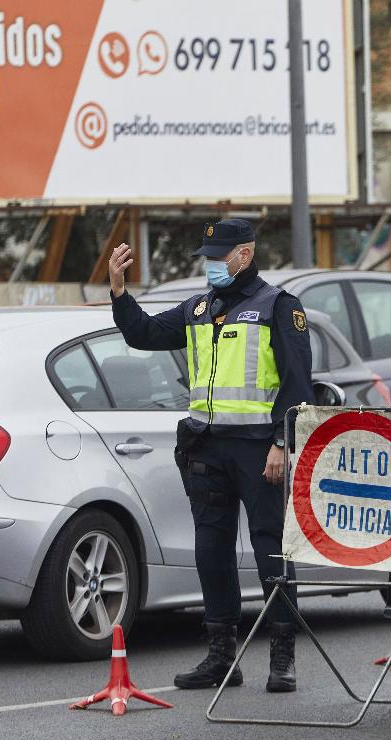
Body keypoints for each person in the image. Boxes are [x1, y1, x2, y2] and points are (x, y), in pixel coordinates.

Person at [107, 219, 312, 693]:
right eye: (209, 256)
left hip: (260, 449)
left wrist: (282, 443)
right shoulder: (200, 308)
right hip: (207, 447)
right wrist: (119, 292)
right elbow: (143, 334)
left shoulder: (278, 307)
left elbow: (298, 383)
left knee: (271, 550)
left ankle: (283, 656)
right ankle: (222, 656)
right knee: (211, 552)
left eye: (220, 255)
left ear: (245, 253)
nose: (212, 264)